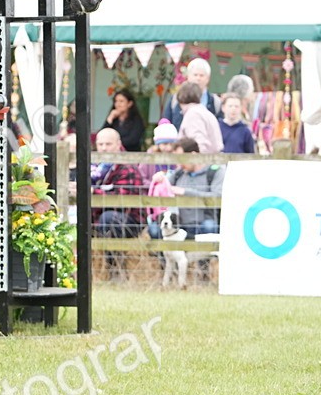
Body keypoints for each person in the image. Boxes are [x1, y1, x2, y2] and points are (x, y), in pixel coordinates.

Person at [88, 128, 147, 280]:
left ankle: (116, 271)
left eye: (108, 144)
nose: (103, 148)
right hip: (99, 216)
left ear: (118, 144)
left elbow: (121, 200)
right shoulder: (96, 167)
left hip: (129, 220)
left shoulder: (126, 167)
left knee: (108, 219)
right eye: (100, 144)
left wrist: (94, 193)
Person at [155, 137, 223, 237]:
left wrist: (185, 192)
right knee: (153, 229)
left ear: (193, 155)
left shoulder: (215, 171)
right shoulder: (179, 172)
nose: (178, 164)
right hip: (178, 224)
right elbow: (165, 188)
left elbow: (218, 196)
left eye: (181, 159)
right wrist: (159, 180)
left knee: (209, 227)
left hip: (203, 222)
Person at [161, 58, 220, 129]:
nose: (198, 78)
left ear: (208, 79)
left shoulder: (215, 102)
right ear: (188, 77)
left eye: (201, 75)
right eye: (195, 75)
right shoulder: (176, 99)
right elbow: (166, 123)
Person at [174, 81, 224, 154]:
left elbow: (199, 142)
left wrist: (199, 162)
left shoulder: (193, 114)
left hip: (203, 161)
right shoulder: (204, 112)